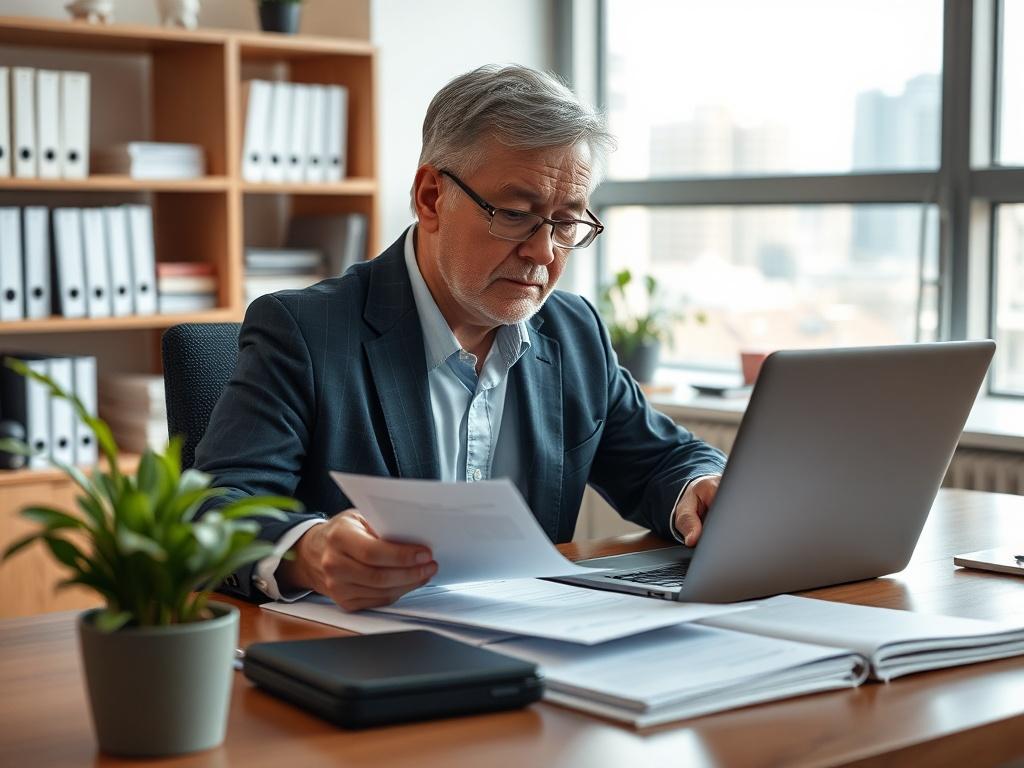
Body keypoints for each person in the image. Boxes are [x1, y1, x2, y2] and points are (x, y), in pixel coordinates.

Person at [194, 64, 727, 611]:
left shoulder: (574, 333)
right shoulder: (304, 331)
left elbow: (662, 460)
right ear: (430, 198)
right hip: (364, 655)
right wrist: (307, 550)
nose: (544, 253)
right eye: (517, 215)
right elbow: (216, 506)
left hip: (542, 650)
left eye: (566, 223)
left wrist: (700, 489)